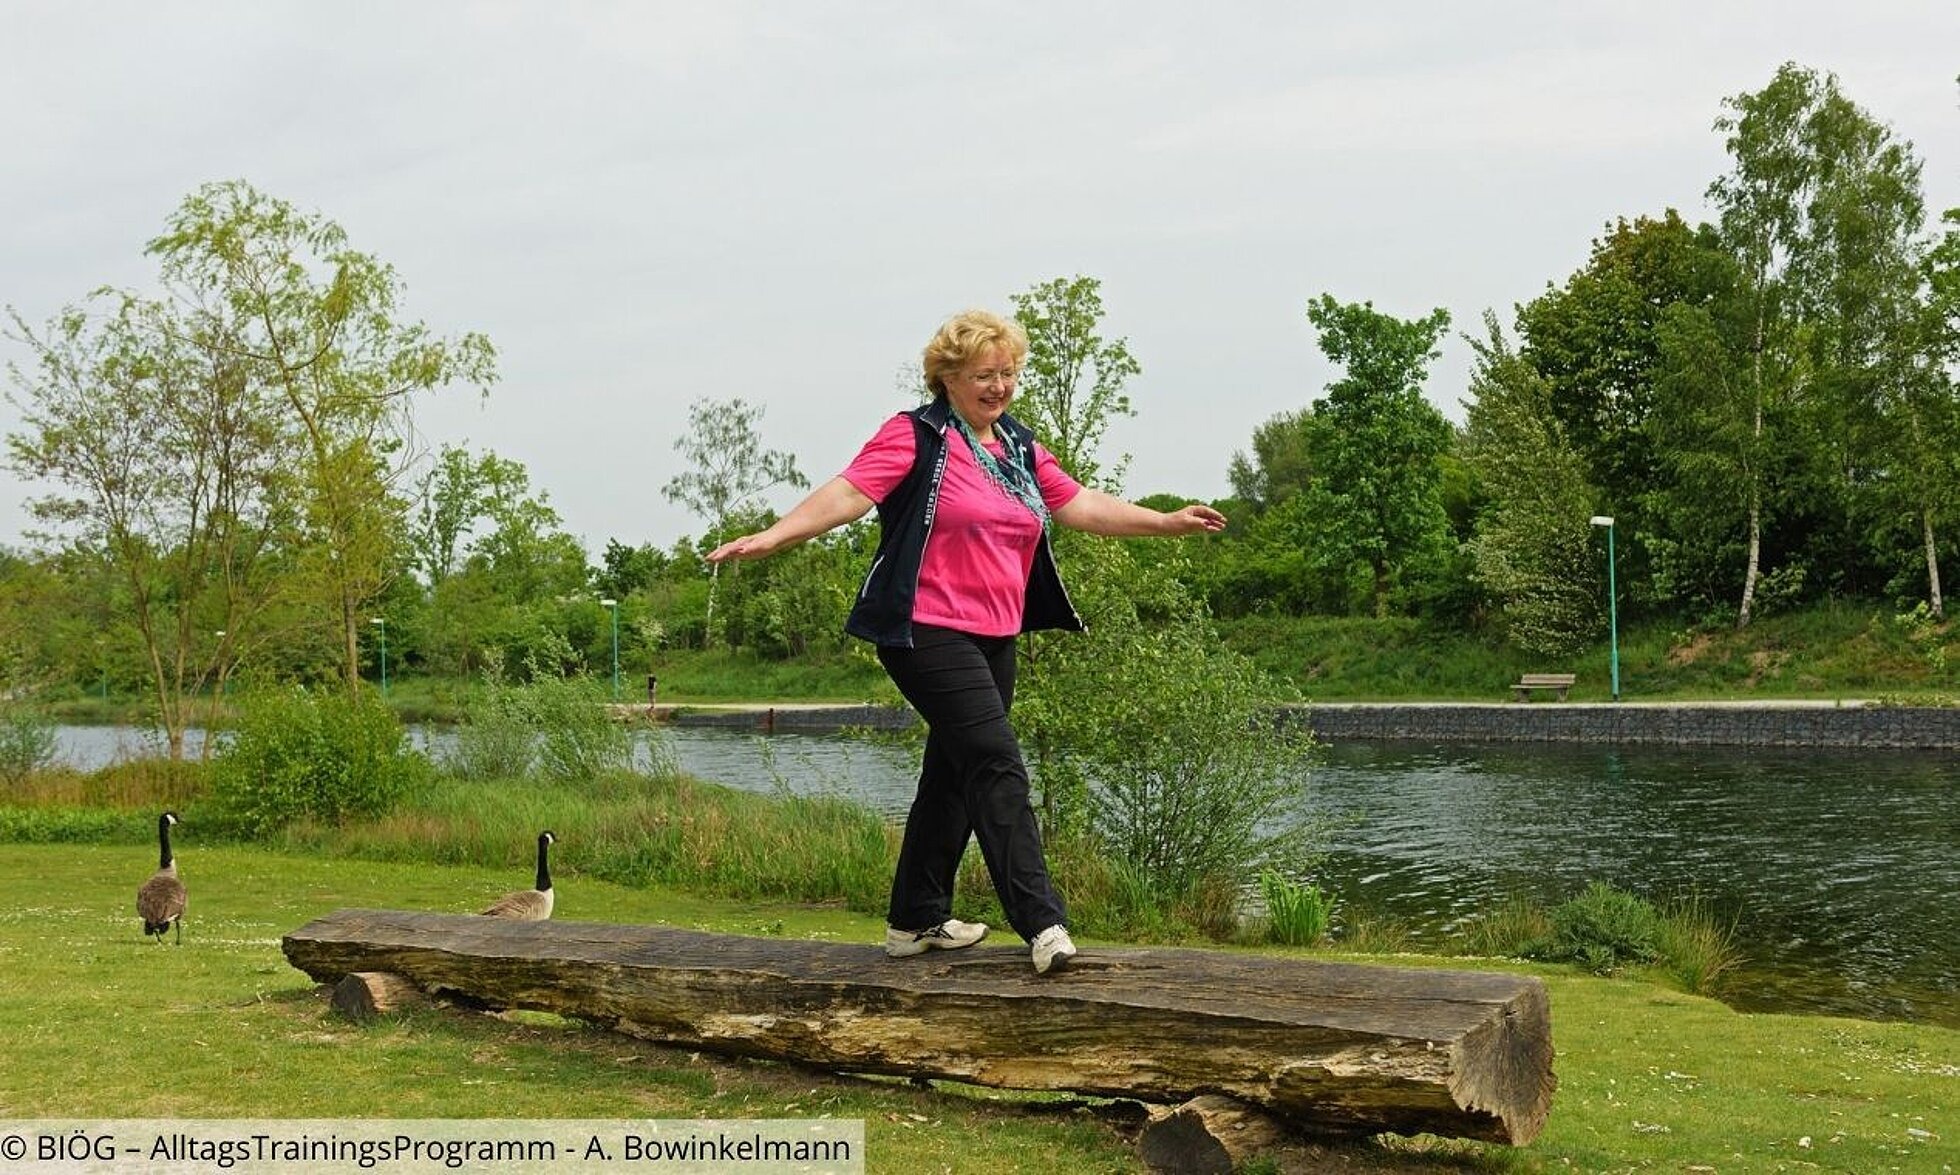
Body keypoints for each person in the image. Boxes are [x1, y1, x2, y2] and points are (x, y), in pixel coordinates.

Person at [707, 309, 1225, 975]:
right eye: (985, 374)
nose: (1000, 386)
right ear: (947, 376)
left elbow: (1079, 504)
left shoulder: (1016, 447)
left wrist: (1165, 521)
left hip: (993, 636)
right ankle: (1043, 922)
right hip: (924, 630)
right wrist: (777, 535)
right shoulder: (916, 436)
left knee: (952, 773)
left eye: (1008, 373)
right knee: (995, 762)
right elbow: (848, 492)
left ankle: (914, 918)